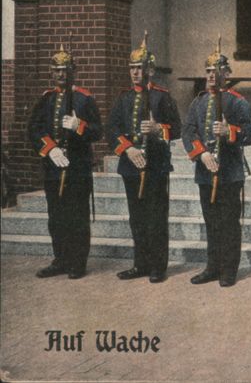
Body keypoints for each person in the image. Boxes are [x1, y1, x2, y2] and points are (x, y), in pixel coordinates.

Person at [106, 35, 181, 283]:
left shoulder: (161, 96)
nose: (135, 73)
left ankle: (158, 266)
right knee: (136, 218)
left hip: (156, 166)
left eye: (139, 68)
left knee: (156, 217)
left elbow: (177, 129)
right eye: (132, 68)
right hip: (131, 165)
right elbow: (112, 129)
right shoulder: (124, 98)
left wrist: (160, 129)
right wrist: (128, 149)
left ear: (149, 69)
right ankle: (140, 264)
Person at [182, 41, 251, 287]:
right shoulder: (199, 102)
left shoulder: (238, 102)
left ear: (227, 74)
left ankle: (228, 270)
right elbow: (189, 132)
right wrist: (201, 153)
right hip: (205, 171)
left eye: (216, 71)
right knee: (210, 221)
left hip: (229, 173)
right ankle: (212, 267)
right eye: (208, 72)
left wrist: (230, 132)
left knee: (228, 223)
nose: (212, 76)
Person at [28, 43, 102, 279]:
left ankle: (77, 262)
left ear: (73, 71)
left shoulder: (84, 99)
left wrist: (79, 126)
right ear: (52, 72)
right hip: (53, 166)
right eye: (57, 70)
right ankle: (60, 259)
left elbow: (98, 131)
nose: (61, 74)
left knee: (77, 216)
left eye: (65, 70)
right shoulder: (47, 99)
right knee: (56, 216)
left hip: (77, 167)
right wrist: (50, 149)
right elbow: (34, 129)